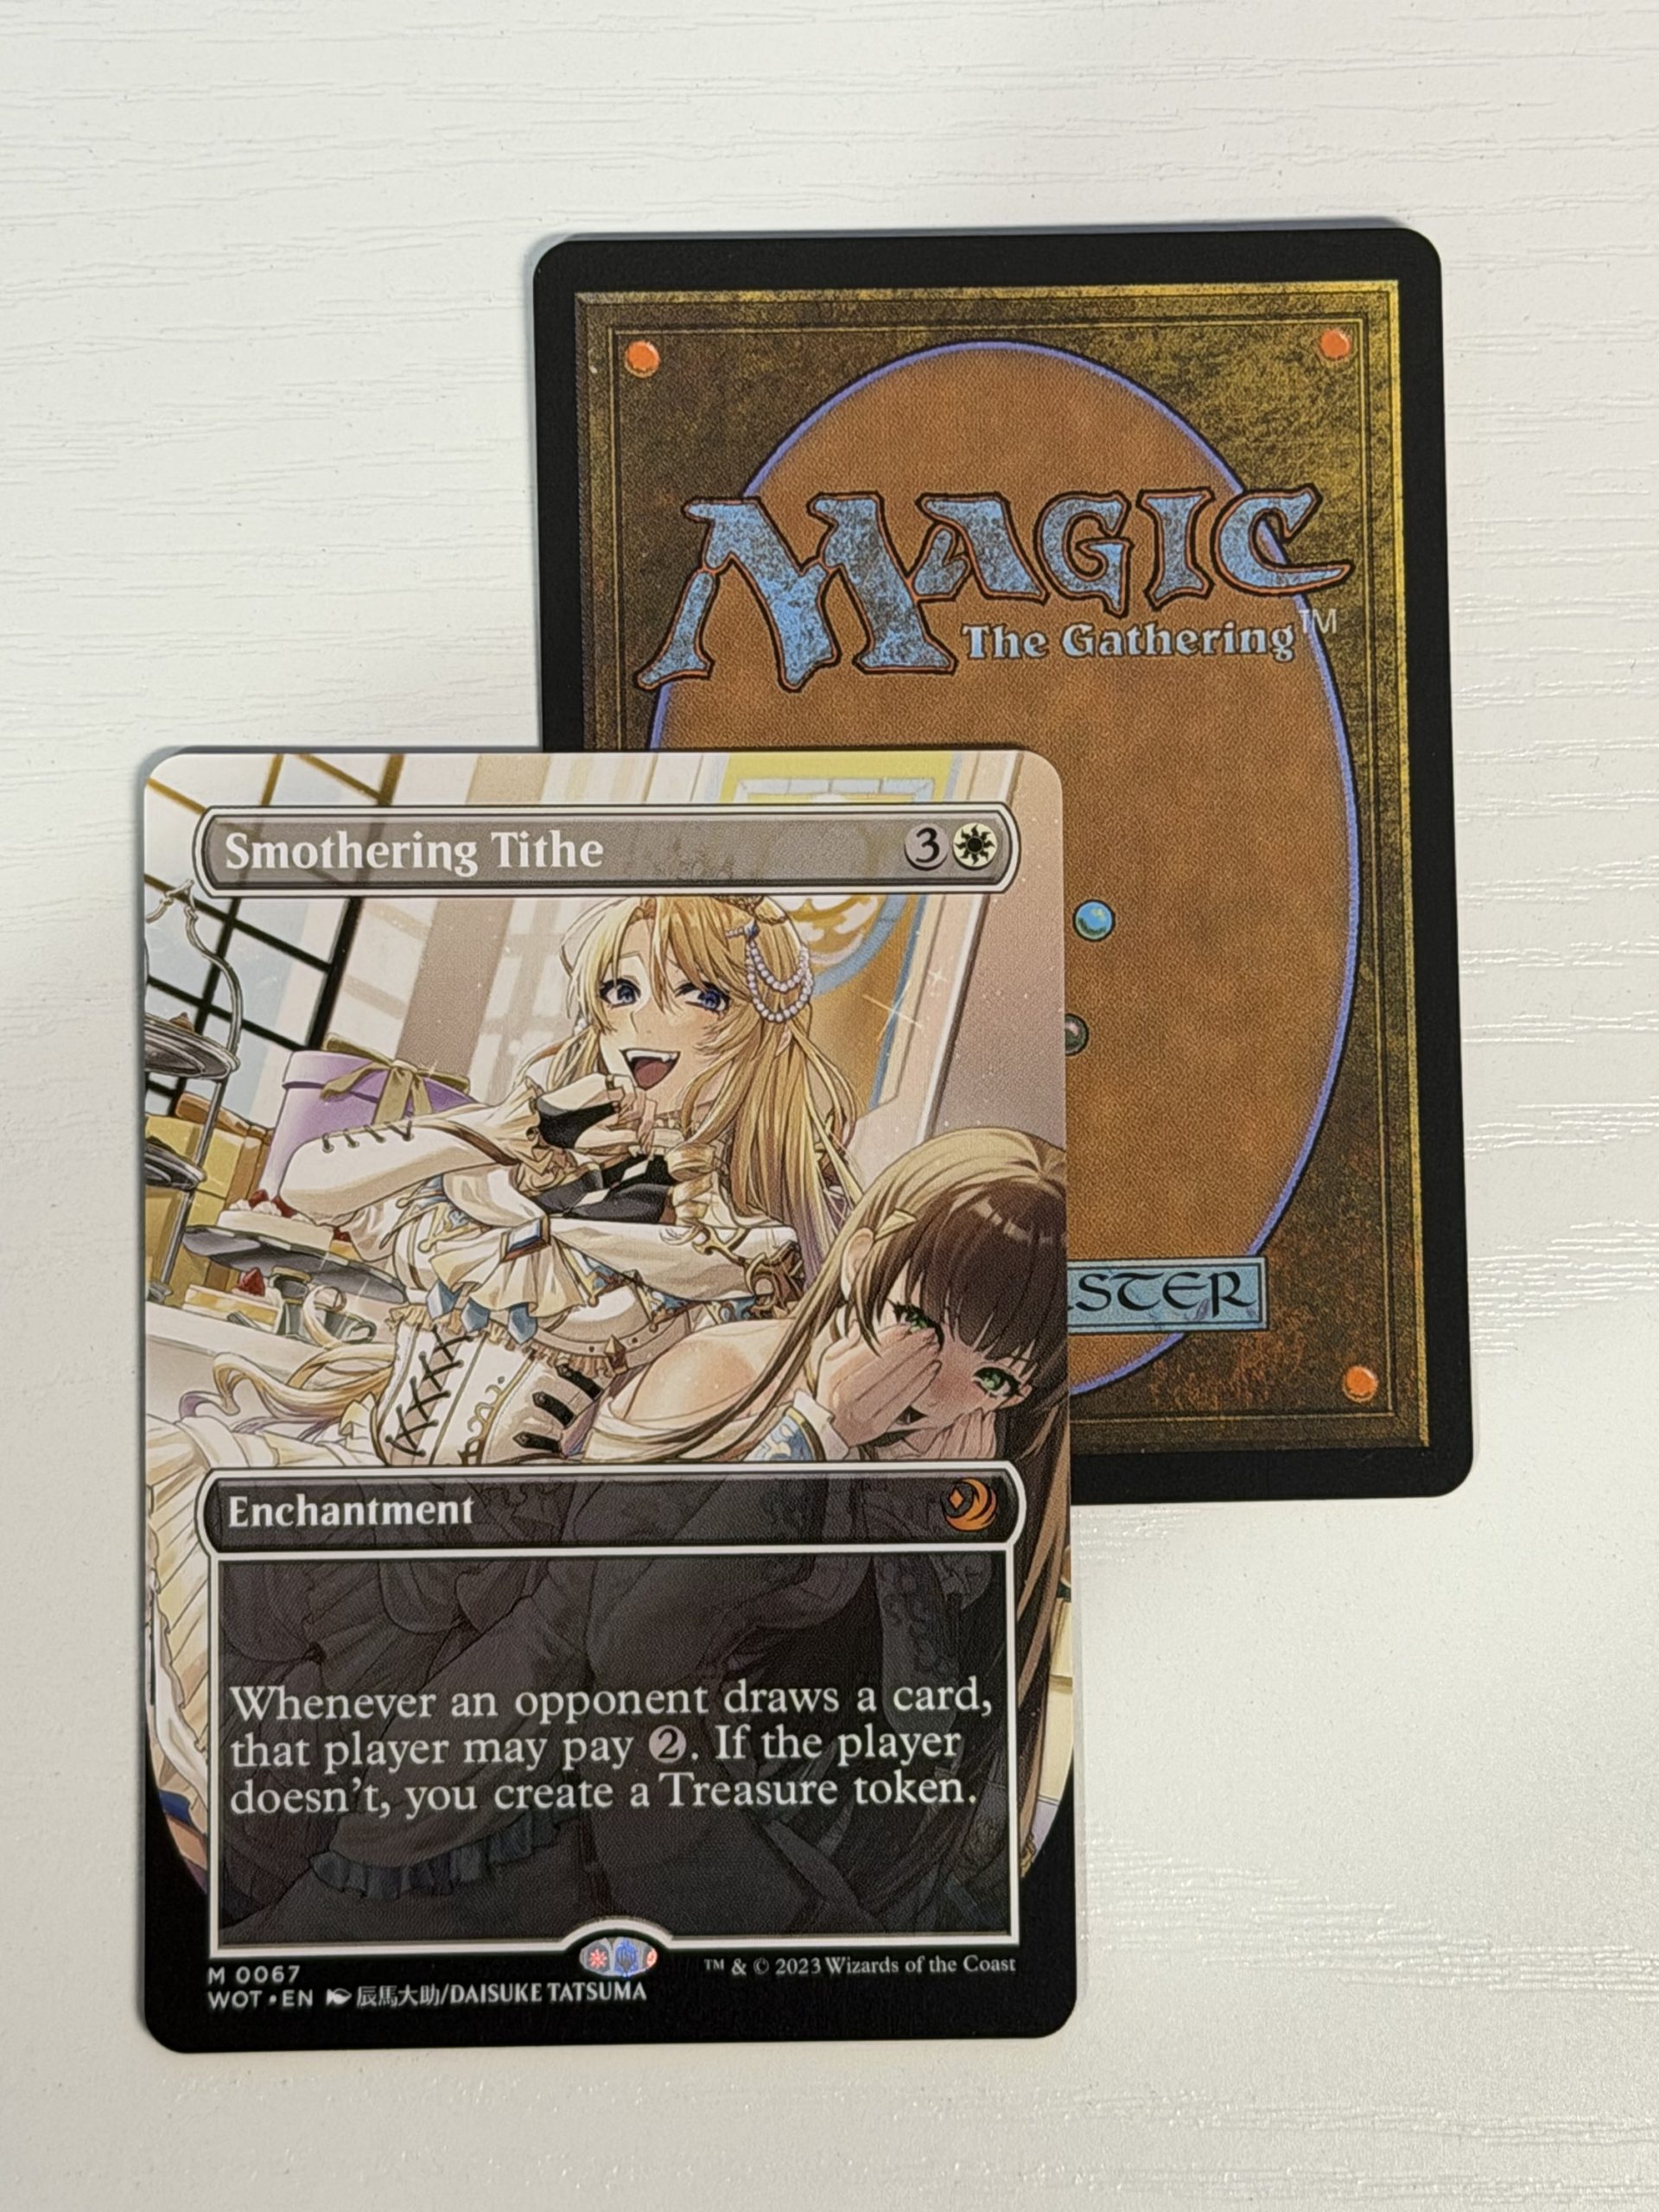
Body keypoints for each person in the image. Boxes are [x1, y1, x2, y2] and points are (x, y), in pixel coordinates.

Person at [218, 1128, 1068, 1944]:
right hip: (518, 1787)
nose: (937, 1390)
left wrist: (931, 1520)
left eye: (993, 1377)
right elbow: (631, 1643)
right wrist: (814, 1438)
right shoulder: (724, 1377)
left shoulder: (915, 1451)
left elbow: (919, 1718)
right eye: (920, 1324)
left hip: (668, 1790)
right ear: (859, 1259)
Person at [146, 893, 859, 1843]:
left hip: (499, 1569)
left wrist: (556, 1200)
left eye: (699, 995)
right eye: (622, 990)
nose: (645, 1020)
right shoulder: (507, 1174)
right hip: (365, 1488)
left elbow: (700, 1360)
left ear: (756, 1032)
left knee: (315, 1813)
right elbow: (310, 1179)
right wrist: (498, 1135)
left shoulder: (739, 1246)